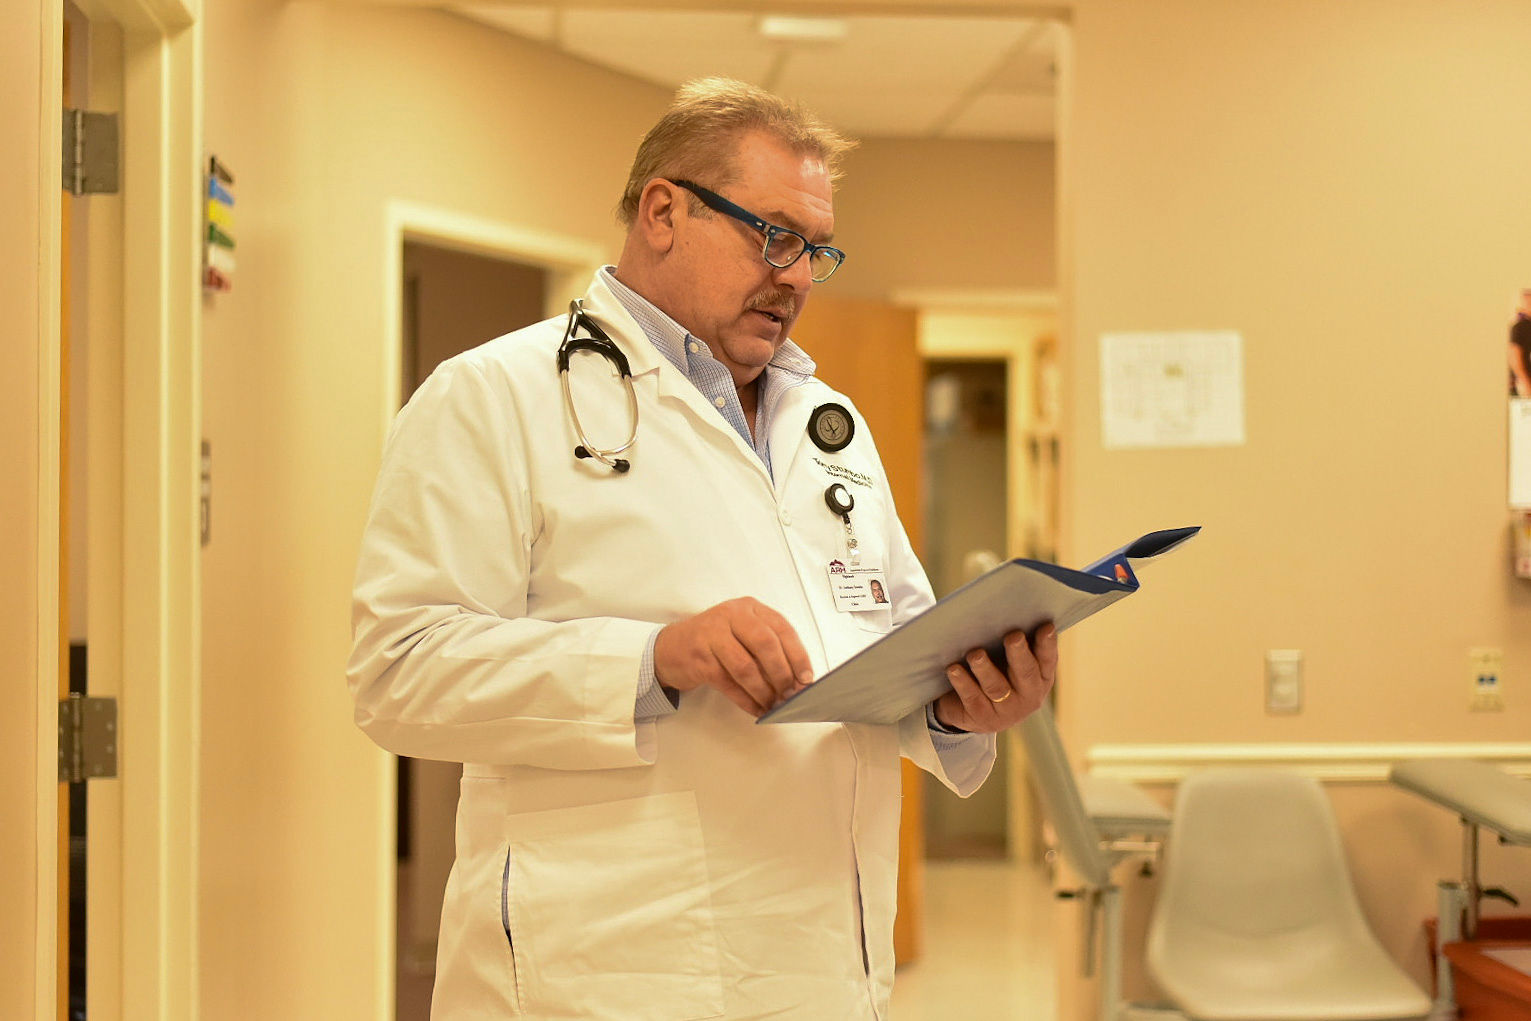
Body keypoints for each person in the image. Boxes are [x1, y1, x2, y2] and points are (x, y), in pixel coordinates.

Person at [348, 77, 1057, 1020]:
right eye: (775, 236)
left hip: (822, 964)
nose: (799, 275)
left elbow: (889, 647)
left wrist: (969, 702)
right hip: (606, 969)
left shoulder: (826, 422)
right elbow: (398, 673)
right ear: (662, 211)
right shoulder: (492, 396)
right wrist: (652, 656)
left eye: (817, 250)